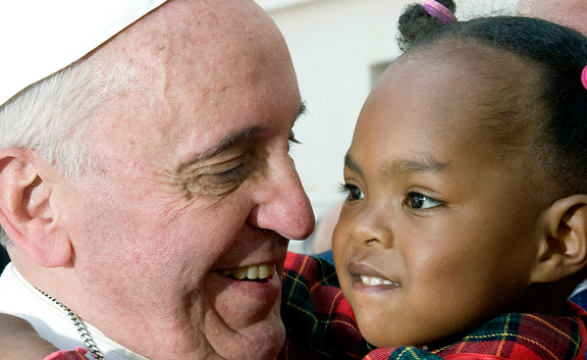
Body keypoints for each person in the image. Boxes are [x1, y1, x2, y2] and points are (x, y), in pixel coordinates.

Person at [0, 0, 318, 359]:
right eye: (226, 168)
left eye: (289, 142)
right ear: (35, 205)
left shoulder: (332, 316)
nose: (298, 219)